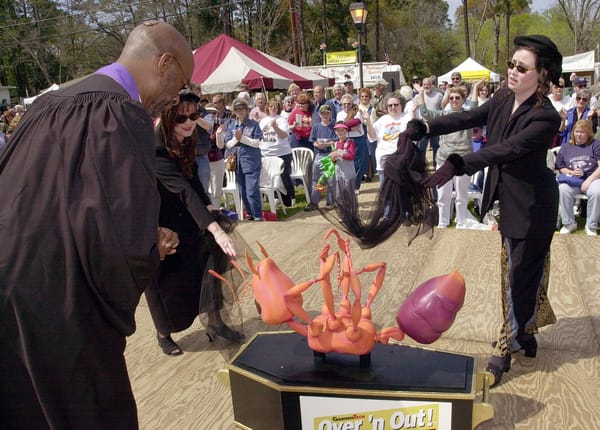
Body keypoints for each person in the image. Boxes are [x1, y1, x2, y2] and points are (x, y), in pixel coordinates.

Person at [0, 20, 190, 429]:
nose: (176, 97)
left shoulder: (47, 104)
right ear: (165, 63)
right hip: (59, 301)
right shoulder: (122, 113)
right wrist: (150, 245)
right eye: (181, 83)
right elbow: (120, 243)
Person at [422, 35, 563, 386]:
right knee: (519, 272)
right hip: (508, 202)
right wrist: (425, 127)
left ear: (541, 75)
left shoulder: (546, 117)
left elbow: (505, 150)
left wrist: (459, 163)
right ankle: (525, 333)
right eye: (511, 64)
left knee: (519, 277)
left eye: (521, 67)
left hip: (533, 206)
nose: (512, 71)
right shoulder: (502, 97)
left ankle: (505, 347)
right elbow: (467, 117)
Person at [147, 90, 241, 356]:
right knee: (167, 283)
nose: (188, 122)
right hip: (160, 224)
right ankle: (163, 332)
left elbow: (193, 182)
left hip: (187, 217)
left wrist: (210, 208)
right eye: (181, 118)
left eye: (194, 115)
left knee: (208, 269)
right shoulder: (155, 149)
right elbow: (182, 190)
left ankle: (215, 322)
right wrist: (214, 228)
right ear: (167, 118)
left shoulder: (188, 139)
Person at [417, 84, 478, 229]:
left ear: (463, 99)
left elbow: (476, 108)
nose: (454, 100)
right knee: (443, 196)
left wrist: (475, 88)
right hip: (444, 159)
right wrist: (420, 94)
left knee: (461, 195)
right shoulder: (443, 115)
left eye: (458, 98)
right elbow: (425, 113)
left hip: (464, 160)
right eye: (451, 98)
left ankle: (461, 222)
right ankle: (443, 223)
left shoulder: (468, 116)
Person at [220, 97, 263, 221]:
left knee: (251, 191)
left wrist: (242, 138)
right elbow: (227, 144)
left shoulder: (254, 124)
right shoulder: (232, 125)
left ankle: (258, 216)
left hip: (251, 161)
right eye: (237, 109)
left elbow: (257, 143)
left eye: (242, 109)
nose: (240, 111)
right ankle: (250, 214)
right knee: (243, 192)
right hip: (237, 163)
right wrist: (236, 139)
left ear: (246, 110)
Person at [555, 119, 600, 235]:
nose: (579, 135)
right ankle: (569, 223)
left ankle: (591, 225)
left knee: (597, 191)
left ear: (588, 133)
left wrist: (589, 180)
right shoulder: (566, 147)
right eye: (577, 131)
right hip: (573, 180)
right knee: (563, 189)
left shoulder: (595, 145)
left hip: (592, 178)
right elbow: (560, 167)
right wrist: (571, 172)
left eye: (582, 132)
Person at [259, 98, 295, 207]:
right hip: (266, 153)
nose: (273, 108)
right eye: (271, 106)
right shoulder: (263, 121)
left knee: (284, 177)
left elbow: (284, 135)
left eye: (275, 106)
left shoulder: (282, 120)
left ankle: (290, 198)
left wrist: (275, 127)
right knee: (271, 177)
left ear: (278, 108)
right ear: (267, 108)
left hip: (282, 153)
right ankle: (275, 196)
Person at [305, 104, 337, 211]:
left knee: (330, 180)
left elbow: (335, 140)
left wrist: (326, 145)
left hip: (329, 155)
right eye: (323, 113)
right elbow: (313, 140)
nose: (325, 115)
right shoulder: (316, 126)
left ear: (330, 114)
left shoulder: (333, 126)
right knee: (316, 180)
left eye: (327, 113)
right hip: (318, 155)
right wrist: (317, 145)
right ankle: (314, 202)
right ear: (319, 114)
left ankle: (330, 201)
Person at [331, 122, 356, 200]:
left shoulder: (350, 142)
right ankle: (343, 211)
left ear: (346, 131)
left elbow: (351, 156)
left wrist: (338, 153)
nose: (340, 132)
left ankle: (350, 211)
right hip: (339, 174)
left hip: (348, 175)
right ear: (335, 132)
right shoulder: (335, 144)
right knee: (339, 196)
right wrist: (333, 158)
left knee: (349, 196)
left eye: (342, 130)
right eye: (338, 130)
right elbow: (333, 161)